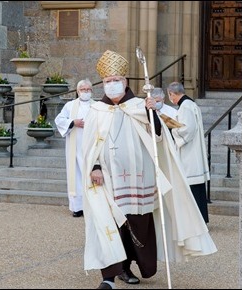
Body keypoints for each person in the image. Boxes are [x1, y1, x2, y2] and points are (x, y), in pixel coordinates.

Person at [82, 50, 217, 289]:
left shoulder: (139, 106)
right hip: (108, 179)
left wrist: (152, 112)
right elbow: (89, 145)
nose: (112, 84)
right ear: (102, 84)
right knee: (110, 224)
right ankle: (110, 276)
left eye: (116, 80)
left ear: (125, 82)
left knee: (138, 225)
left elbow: (158, 135)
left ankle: (137, 265)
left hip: (139, 179)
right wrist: (94, 167)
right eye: (107, 81)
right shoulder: (96, 111)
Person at [167, 81, 210, 223]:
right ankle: (198, 220)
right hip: (191, 152)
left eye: (170, 96)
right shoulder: (190, 104)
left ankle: (196, 221)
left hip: (189, 154)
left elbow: (188, 129)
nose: (170, 99)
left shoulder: (185, 107)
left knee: (193, 188)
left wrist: (172, 129)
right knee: (195, 188)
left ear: (172, 94)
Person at [55, 79, 95, 217]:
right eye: (83, 90)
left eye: (88, 89)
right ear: (78, 91)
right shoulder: (70, 106)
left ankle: (93, 206)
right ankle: (77, 207)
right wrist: (73, 122)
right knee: (76, 175)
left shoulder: (97, 106)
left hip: (92, 147)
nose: (86, 92)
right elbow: (59, 120)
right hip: (75, 147)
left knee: (91, 173)